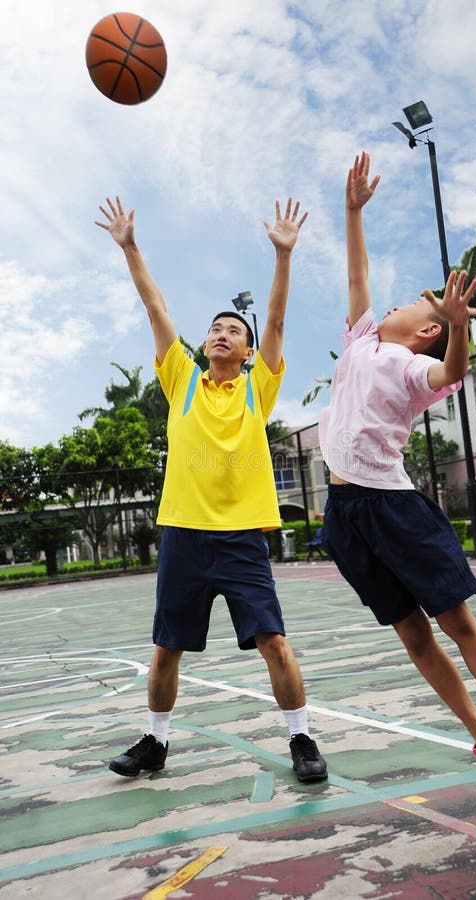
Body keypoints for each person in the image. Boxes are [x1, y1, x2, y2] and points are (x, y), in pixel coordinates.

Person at [318, 152, 476, 797]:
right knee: (413, 637)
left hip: (393, 507)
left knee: (457, 624)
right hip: (344, 517)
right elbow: (357, 277)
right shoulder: (362, 341)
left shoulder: (407, 369)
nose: (387, 305)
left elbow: (451, 372)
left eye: (410, 305)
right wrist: (352, 212)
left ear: (423, 328)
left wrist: (455, 330)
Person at [96, 195, 327, 784]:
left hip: (242, 539)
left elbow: (275, 321)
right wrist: (129, 246)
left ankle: (302, 736)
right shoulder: (181, 381)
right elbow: (155, 307)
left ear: (249, 352)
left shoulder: (258, 389)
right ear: (204, 346)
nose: (223, 334)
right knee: (167, 647)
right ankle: (155, 740)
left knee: (274, 642)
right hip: (185, 536)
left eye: (234, 331)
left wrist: (283, 255)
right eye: (216, 329)